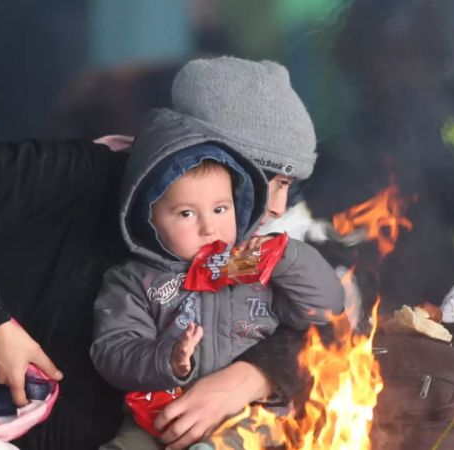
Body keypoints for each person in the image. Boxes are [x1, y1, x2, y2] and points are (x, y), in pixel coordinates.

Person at [0, 56, 325, 450]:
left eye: (293, 186)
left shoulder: (246, 242)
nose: (278, 206)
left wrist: (251, 376)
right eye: (272, 180)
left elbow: (332, 316)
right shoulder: (80, 175)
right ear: (210, 154)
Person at [90, 119, 344, 449]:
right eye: (186, 214)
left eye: (220, 209)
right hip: (159, 415)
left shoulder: (251, 264)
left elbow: (326, 309)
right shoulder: (134, 280)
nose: (209, 227)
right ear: (149, 219)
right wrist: (168, 358)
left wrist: (283, 258)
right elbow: (111, 351)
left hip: (252, 416)